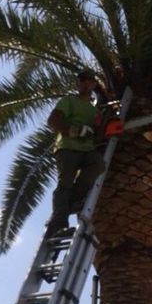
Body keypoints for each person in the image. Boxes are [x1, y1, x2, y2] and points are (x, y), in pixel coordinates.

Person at [46, 70, 107, 236]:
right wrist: (74, 131)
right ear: (78, 83)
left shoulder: (94, 112)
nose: (86, 83)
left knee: (98, 165)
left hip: (86, 149)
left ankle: (69, 205)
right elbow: (53, 121)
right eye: (82, 80)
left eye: (89, 81)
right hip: (67, 147)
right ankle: (59, 223)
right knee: (64, 183)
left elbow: (98, 132)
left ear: (94, 85)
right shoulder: (69, 101)